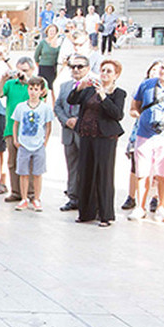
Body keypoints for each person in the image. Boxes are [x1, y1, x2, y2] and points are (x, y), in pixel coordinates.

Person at [69, 59, 126, 226]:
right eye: (103, 70)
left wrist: (103, 96)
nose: (105, 74)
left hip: (105, 137)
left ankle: (105, 214)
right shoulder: (89, 90)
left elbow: (117, 114)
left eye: (109, 71)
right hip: (87, 134)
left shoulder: (118, 92)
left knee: (103, 175)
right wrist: (80, 87)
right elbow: (72, 100)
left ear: (116, 75)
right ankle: (86, 212)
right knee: (85, 172)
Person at [0, 56, 37, 202]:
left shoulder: (37, 83)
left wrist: (28, 82)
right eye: (19, 70)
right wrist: (3, 79)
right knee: (12, 162)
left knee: (29, 162)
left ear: (32, 70)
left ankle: (30, 193)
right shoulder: (11, 84)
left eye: (24, 70)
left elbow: (42, 96)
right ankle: (16, 191)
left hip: (30, 130)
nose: (21, 73)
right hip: (11, 129)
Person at [128, 60, 164, 221]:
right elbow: (136, 104)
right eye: (163, 68)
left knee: (163, 174)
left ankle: (161, 207)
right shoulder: (147, 85)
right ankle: (140, 207)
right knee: (142, 172)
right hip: (144, 134)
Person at [10, 76, 53, 211]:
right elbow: (16, 123)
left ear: (41, 91)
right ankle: (24, 198)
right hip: (24, 144)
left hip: (38, 144)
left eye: (36, 89)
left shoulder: (45, 108)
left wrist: (45, 141)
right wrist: (16, 140)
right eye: (31, 89)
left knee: (37, 173)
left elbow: (48, 125)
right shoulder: (21, 107)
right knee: (23, 173)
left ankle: (36, 198)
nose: (33, 92)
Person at [55, 55, 90, 212]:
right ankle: (73, 197)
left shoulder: (92, 86)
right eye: (73, 66)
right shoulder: (64, 86)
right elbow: (57, 107)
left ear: (87, 68)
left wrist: (78, 120)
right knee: (72, 167)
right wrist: (66, 120)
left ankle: (86, 198)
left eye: (80, 66)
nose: (76, 69)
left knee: (87, 166)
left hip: (84, 132)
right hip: (68, 132)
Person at [34, 24, 63, 93]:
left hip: (54, 68)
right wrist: (39, 65)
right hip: (43, 67)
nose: (52, 32)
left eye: (54, 31)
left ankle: (54, 103)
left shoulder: (59, 43)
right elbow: (36, 56)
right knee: (43, 87)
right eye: (50, 31)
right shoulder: (43, 43)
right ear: (47, 32)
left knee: (53, 87)